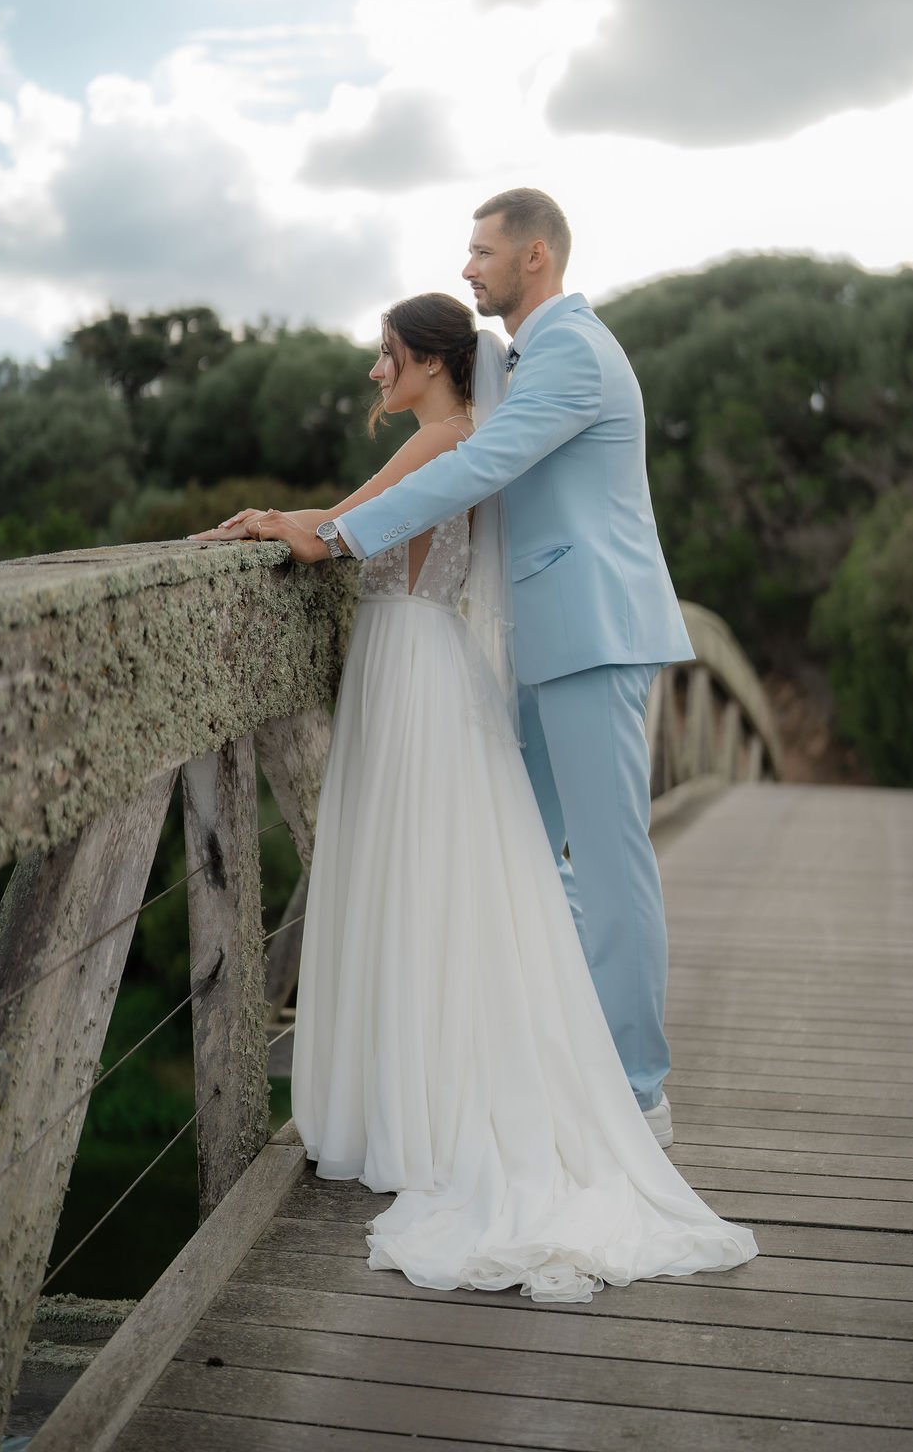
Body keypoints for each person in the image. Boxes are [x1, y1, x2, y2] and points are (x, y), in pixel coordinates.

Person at [191, 291, 756, 1303]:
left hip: (411, 672)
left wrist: (301, 527)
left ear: (430, 362)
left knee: (424, 880)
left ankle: (439, 1097)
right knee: (461, 881)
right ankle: (447, 1076)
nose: (375, 371)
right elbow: (363, 511)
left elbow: (358, 517)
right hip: (428, 666)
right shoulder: (461, 430)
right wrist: (314, 522)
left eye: (388, 354)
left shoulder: (451, 439)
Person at [269, 189, 693, 1150]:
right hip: (547, 636)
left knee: (608, 867)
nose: (468, 268)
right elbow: (446, 417)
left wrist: (336, 537)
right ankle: (546, 1058)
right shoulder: (523, 356)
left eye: (481, 251)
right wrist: (307, 513)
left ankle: (635, 1093)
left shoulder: (573, 352)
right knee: (528, 860)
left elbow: (478, 460)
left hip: (593, 631)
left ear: (534, 256)